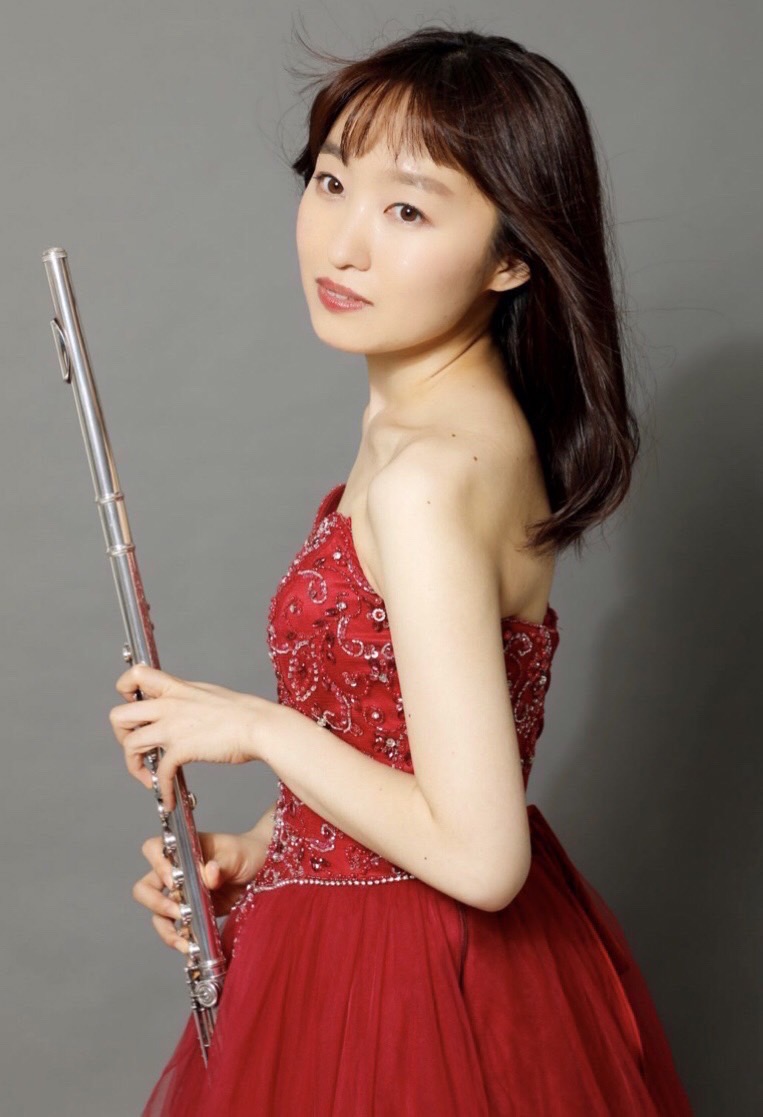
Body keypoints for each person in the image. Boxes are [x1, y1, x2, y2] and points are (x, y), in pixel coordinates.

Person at [108, 25, 694, 1116]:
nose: (343, 244)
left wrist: (256, 728)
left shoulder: (429, 474)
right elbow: (411, 748)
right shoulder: (448, 430)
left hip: (414, 981)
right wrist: (267, 849)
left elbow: (480, 856)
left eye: (408, 210)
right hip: (385, 945)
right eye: (332, 182)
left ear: (511, 255)